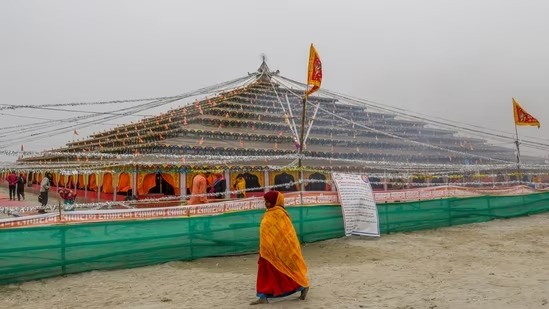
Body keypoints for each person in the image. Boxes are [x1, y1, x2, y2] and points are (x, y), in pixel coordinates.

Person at [250, 191, 309, 305]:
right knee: (270, 273)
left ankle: (302, 286)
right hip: (267, 250)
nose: (266, 204)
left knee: (283, 272)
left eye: (268, 202)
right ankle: (263, 295)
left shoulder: (280, 214)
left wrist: (280, 248)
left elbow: (287, 235)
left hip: (278, 251)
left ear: (275, 202)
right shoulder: (269, 213)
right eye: (265, 202)